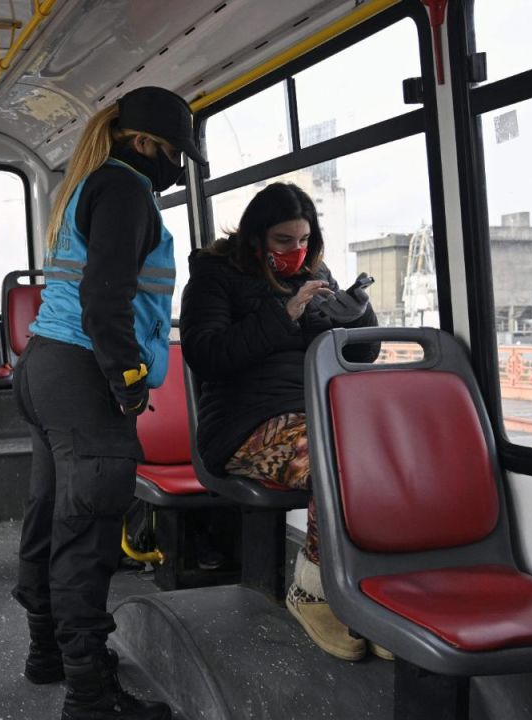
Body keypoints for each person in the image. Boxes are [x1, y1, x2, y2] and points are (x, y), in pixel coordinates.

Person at [12, 86, 203, 720]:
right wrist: (128, 381)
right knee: (88, 532)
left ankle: (48, 652)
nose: (177, 168)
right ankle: (89, 695)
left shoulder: (94, 183)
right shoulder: (125, 189)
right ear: (148, 143)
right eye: (176, 153)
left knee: (52, 514)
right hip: (86, 373)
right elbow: (106, 301)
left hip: (49, 366)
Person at [179, 182, 384, 661]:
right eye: (284, 241)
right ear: (257, 239)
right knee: (332, 469)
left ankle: (370, 592)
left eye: (304, 240)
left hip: (313, 410)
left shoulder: (318, 273)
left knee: (384, 461)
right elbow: (207, 357)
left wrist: (357, 315)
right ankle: (313, 591)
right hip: (243, 421)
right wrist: (284, 313)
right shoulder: (214, 276)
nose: (297, 251)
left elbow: (362, 355)